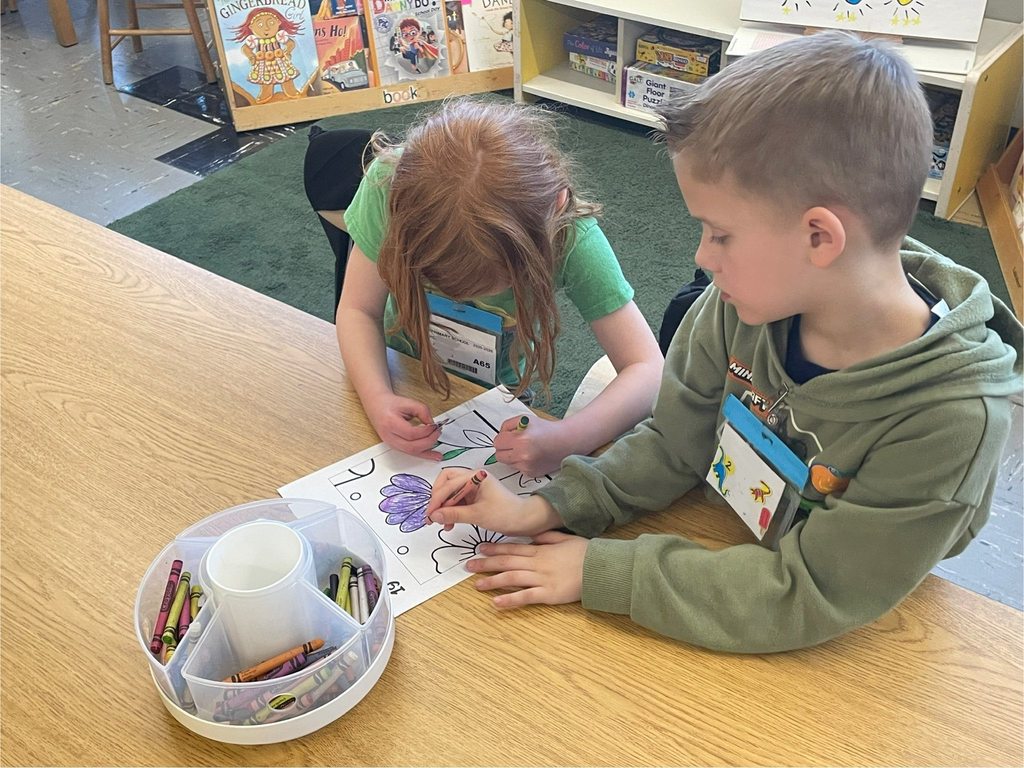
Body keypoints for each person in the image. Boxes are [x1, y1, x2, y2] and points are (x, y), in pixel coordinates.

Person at [425, 32, 1023, 653]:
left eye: (719, 234)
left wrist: (602, 570)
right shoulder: (739, 305)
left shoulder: (949, 420)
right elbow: (674, 443)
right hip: (733, 526)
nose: (700, 257)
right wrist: (548, 507)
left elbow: (810, 591)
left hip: (864, 593)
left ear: (819, 237)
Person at [336, 98, 664, 477]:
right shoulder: (387, 189)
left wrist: (569, 437)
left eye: (494, 284)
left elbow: (648, 367)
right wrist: (378, 398)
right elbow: (359, 309)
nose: (462, 300)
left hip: (500, 398)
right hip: (402, 371)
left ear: (556, 209)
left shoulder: (571, 238)